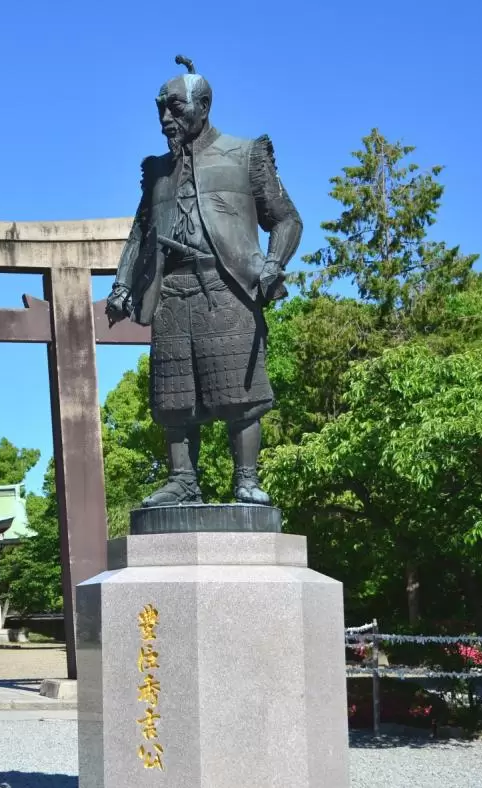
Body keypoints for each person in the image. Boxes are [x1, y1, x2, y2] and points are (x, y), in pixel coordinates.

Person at [106, 56, 303, 508]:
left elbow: (287, 219)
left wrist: (274, 263)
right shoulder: (156, 170)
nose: (164, 120)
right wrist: (122, 287)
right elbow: (141, 234)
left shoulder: (245, 153)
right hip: (172, 291)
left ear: (204, 105)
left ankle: (246, 479)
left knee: (240, 392)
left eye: (174, 108)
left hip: (228, 287)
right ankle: (182, 479)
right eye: (160, 110)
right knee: (174, 398)